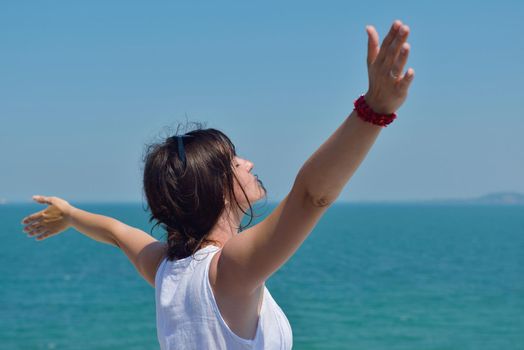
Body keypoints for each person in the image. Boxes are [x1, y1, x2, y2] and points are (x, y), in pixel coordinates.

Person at [21, 19, 414, 350]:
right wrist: (373, 111)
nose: (249, 162)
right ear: (218, 188)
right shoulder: (230, 270)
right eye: (234, 161)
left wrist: (72, 215)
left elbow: (116, 233)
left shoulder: (166, 270)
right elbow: (311, 196)